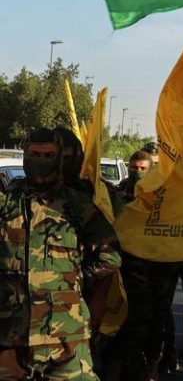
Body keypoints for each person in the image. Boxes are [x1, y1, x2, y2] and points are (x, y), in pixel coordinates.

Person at [0, 128, 121, 380]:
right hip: (11, 339)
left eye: (48, 155)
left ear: (58, 159)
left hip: (66, 336)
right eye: (35, 154)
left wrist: (75, 278)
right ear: (25, 157)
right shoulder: (6, 204)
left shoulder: (77, 205)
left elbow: (110, 256)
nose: (41, 161)